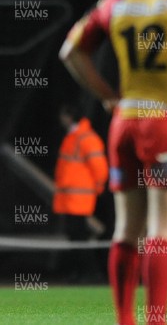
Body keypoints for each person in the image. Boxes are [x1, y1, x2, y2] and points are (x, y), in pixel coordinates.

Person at [59, 0, 167, 324]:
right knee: (164, 231)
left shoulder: (115, 0)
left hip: (126, 122)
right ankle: (156, 320)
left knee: (126, 229)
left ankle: (125, 320)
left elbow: (70, 52)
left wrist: (109, 97)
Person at [53, 104, 108, 282]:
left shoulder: (84, 138)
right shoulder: (74, 137)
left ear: (69, 116)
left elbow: (100, 167)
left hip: (79, 197)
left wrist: (98, 186)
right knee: (75, 235)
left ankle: (90, 272)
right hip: (72, 197)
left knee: (79, 236)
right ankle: (82, 272)